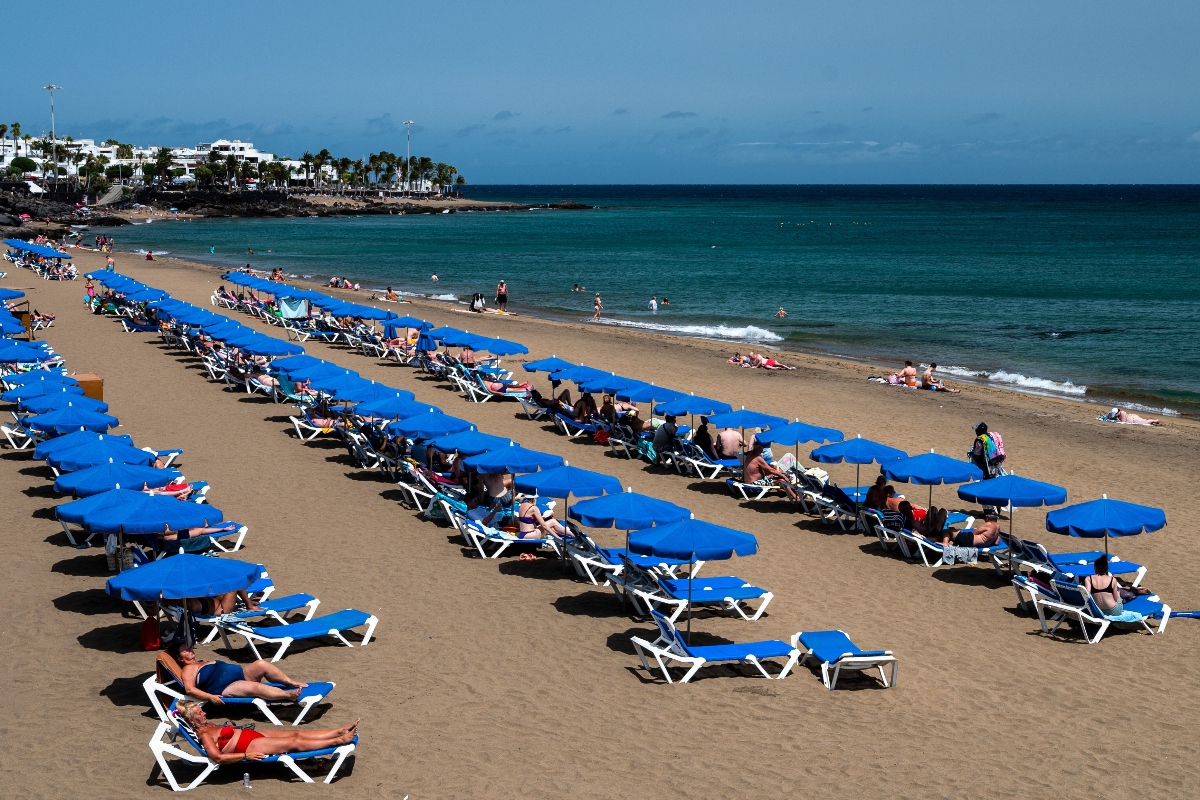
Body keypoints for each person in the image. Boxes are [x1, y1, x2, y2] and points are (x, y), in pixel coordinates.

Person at [173, 700, 358, 764]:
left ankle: (338, 731)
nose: (204, 713)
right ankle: (338, 741)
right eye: (199, 713)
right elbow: (218, 758)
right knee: (294, 743)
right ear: (191, 720)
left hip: (253, 736)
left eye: (202, 710)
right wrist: (246, 755)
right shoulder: (204, 735)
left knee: (296, 734)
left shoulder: (207, 724)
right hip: (250, 745)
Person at [167, 640, 307, 704]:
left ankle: (290, 682)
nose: (190, 650)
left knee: (261, 664)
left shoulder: (201, 661)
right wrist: (210, 697)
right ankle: (288, 695)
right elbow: (190, 689)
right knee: (255, 687)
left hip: (242, 674)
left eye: (189, 647)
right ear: (180, 658)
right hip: (228, 686)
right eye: (185, 650)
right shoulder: (187, 669)